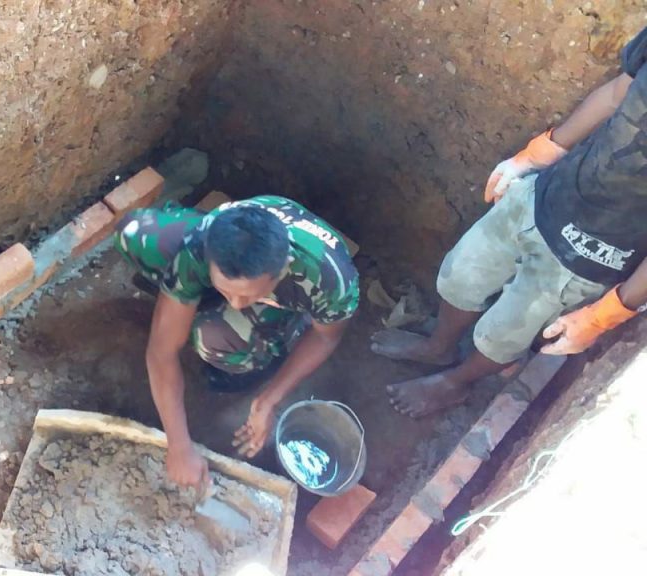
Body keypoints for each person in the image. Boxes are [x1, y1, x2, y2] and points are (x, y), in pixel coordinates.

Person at [371, 26, 647, 418]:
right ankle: (438, 347)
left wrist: (606, 314)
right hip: (548, 193)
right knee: (462, 274)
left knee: (503, 334)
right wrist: (539, 152)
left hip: (590, 257)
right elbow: (620, 91)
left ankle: (456, 383)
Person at [113, 195, 359, 488]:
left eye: (248, 295)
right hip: (219, 256)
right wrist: (179, 446)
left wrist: (269, 399)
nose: (236, 304)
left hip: (290, 298)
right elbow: (161, 352)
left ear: (283, 267)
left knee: (213, 338)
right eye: (227, 291)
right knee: (132, 232)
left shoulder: (330, 280)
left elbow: (325, 336)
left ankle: (265, 347)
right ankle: (190, 292)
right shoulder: (201, 242)